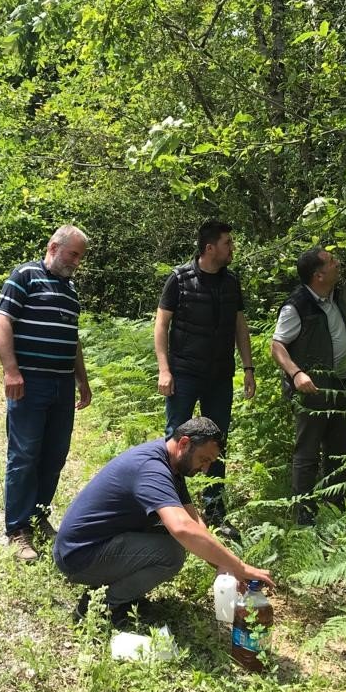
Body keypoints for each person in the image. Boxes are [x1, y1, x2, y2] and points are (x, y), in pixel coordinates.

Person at [53, 417, 274, 625]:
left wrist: (225, 567)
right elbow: (183, 528)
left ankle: (117, 594)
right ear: (185, 443)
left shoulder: (170, 463)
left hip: (95, 545)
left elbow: (194, 523)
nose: (205, 468)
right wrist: (241, 567)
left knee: (170, 534)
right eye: (204, 460)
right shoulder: (152, 468)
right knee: (171, 553)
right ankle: (99, 605)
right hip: (78, 556)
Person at [0, 225, 92, 561]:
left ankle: (37, 515)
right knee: (24, 455)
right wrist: (11, 371)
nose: (77, 262)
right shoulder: (24, 276)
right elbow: (1, 322)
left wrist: (83, 379)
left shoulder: (70, 290)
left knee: (54, 454)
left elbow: (72, 338)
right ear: (54, 246)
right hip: (29, 382)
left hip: (62, 385)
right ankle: (18, 529)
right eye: (73, 254)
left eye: (80, 256)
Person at [153, 220, 255, 533]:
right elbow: (161, 325)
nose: (232, 248)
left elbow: (240, 326)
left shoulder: (231, 281)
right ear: (210, 248)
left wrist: (249, 368)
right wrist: (164, 369)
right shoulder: (179, 278)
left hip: (220, 376)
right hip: (184, 374)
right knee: (176, 438)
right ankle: (168, 508)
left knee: (217, 441)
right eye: (227, 243)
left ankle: (215, 511)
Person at [270, 247, 346, 525]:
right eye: (332, 262)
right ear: (319, 275)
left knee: (339, 451)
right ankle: (304, 516)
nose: (338, 264)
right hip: (313, 390)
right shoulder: (296, 306)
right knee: (307, 454)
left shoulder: (335, 296)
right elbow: (277, 346)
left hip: (340, 386)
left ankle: (336, 510)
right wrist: (297, 374)